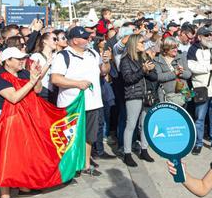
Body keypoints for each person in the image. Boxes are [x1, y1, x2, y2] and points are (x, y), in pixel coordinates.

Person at [50, 26, 111, 176]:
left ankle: (86, 164)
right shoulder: (62, 56)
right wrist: (77, 84)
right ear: (75, 40)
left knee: (89, 135)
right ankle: (69, 166)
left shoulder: (93, 53)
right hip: (71, 104)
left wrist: (106, 62)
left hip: (93, 102)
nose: (89, 39)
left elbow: (104, 72)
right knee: (70, 137)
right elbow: (55, 79)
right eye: (85, 37)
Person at [0, 47, 47, 198]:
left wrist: (36, 77)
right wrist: (31, 81)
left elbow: (37, 90)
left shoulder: (23, 73)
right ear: (7, 61)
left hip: (26, 119)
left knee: (26, 153)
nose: (22, 61)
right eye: (18, 59)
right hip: (8, 121)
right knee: (7, 156)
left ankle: (23, 185)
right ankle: (5, 194)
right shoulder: (0, 78)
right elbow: (13, 97)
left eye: (23, 58)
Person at [187, 26, 212, 155]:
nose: (209, 37)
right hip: (200, 88)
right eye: (206, 35)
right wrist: (211, 66)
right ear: (199, 37)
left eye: (210, 35)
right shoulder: (193, 49)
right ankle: (198, 143)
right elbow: (192, 67)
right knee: (199, 118)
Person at [119, 34, 158, 167]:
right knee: (131, 125)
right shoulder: (125, 60)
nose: (144, 44)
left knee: (145, 125)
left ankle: (144, 150)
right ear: (134, 44)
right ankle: (127, 154)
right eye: (141, 42)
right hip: (133, 95)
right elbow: (128, 79)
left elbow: (154, 76)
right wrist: (143, 70)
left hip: (146, 95)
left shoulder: (145, 57)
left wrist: (149, 71)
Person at [153, 37, 192, 107]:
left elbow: (189, 74)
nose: (176, 50)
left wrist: (181, 72)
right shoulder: (157, 60)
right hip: (167, 95)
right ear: (166, 48)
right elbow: (159, 77)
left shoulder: (181, 57)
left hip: (183, 93)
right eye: (173, 48)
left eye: (176, 47)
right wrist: (174, 73)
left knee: (183, 116)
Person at [29, 32, 58, 101]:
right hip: (43, 92)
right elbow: (36, 77)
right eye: (54, 39)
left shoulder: (57, 55)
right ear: (45, 41)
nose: (56, 42)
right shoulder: (36, 56)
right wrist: (48, 63)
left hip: (56, 91)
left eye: (57, 39)